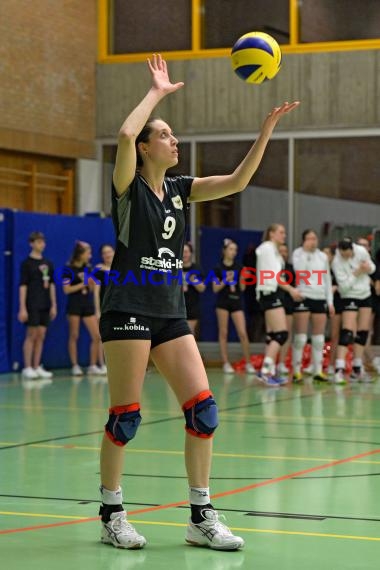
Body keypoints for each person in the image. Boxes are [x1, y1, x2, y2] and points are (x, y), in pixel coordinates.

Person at [98, 53, 299, 551]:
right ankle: (111, 512)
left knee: (203, 411)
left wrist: (266, 132)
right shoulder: (129, 188)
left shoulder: (181, 190)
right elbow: (124, 136)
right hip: (128, 305)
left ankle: (200, 514)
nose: (174, 141)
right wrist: (156, 95)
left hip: (169, 307)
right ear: (147, 149)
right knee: (125, 416)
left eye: (172, 135)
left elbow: (236, 181)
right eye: (165, 135)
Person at [255, 223, 302, 386]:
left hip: (273, 293)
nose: (284, 235)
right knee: (281, 334)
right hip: (269, 294)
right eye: (281, 232)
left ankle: (268, 370)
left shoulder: (274, 251)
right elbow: (274, 276)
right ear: (272, 234)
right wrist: (291, 290)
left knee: (276, 335)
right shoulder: (267, 248)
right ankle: (265, 371)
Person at [291, 230, 334, 384]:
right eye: (309, 238)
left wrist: (330, 302)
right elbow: (299, 270)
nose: (313, 241)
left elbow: (327, 279)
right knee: (301, 337)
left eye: (314, 238)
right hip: (303, 296)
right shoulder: (298, 253)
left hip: (319, 297)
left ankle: (318, 370)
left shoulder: (322, 256)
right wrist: (306, 252)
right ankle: (296, 371)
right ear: (303, 240)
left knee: (318, 339)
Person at [332, 237, 375, 384]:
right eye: (343, 253)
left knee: (363, 332)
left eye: (348, 253)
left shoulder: (361, 251)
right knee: (347, 331)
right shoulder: (336, 262)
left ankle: (357, 367)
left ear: (352, 249)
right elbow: (343, 287)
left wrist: (368, 268)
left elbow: (372, 268)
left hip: (365, 294)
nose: (346, 256)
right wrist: (357, 272)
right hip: (349, 295)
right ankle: (339, 369)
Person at [18, 231, 56, 380]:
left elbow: (51, 284)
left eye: (43, 242)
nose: (42, 244)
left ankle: (36, 365)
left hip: (45, 303)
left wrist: (53, 305)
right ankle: (27, 367)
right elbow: (23, 286)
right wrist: (22, 307)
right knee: (31, 335)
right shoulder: (26, 264)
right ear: (31, 243)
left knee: (41, 335)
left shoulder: (48, 263)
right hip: (32, 303)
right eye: (38, 242)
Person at [213, 238, 255, 374]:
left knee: (242, 333)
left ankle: (249, 363)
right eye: (231, 249)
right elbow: (215, 288)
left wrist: (243, 278)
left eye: (235, 250)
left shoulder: (239, 267)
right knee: (223, 332)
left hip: (236, 301)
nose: (233, 252)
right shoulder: (217, 268)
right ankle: (225, 362)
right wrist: (226, 280)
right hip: (223, 302)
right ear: (224, 251)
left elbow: (242, 288)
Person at [63, 241, 103, 376]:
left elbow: (91, 288)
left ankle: (92, 365)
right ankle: (75, 365)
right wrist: (83, 283)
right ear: (80, 254)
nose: (90, 256)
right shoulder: (68, 268)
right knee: (74, 335)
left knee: (96, 336)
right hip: (74, 305)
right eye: (88, 253)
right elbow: (66, 289)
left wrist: (91, 284)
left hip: (87, 304)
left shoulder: (89, 268)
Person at [94, 243, 116, 374]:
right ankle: (101, 364)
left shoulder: (120, 269)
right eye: (105, 253)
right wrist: (97, 310)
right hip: (105, 308)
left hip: (118, 308)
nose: (107, 254)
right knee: (102, 338)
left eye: (109, 251)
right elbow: (96, 292)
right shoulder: (99, 271)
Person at [323, 245, 343, 377]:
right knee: (322, 335)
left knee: (335, 335)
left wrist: (337, 287)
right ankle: (318, 363)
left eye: (327, 254)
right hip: (322, 304)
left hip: (338, 303)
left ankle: (332, 364)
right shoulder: (321, 270)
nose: (324, 257)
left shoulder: (338, 269)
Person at [277, 243, 295, 376]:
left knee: (286, 334)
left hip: (288, 303)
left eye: (285, 251)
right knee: (274, 334)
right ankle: (271, 363)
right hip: (275, 303)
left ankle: (282, 362)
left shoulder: (290, 268)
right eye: (281, 251)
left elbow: (294, 286)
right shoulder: (273, 267)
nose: (283, 253)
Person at [182, 242, 206, 336]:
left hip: (192, 307)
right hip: (176, 307)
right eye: (182, 252)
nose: (184, 254)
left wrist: (193, 280)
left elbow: (202, 288)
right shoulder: (174, 268)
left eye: (187, 252)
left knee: (189, 333)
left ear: (191, 253)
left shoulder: (197, 268)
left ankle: (191, 351)